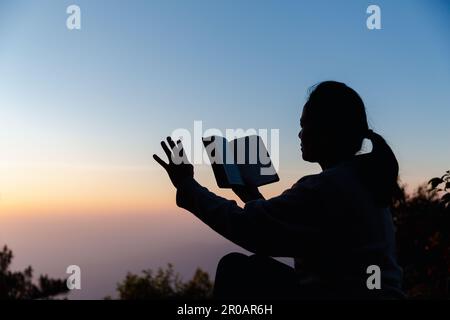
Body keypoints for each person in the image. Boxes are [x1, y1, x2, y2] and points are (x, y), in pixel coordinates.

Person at [153, 81, 404, 299]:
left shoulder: (324, 187)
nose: (299, 134)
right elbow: (283, 232)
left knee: (236, 270)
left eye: (305, 126)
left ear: (327, 132)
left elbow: (249, 229)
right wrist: (249, 195)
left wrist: (186, 184)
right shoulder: (360, 179)